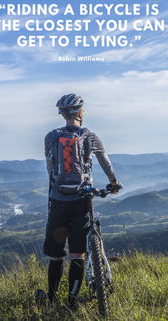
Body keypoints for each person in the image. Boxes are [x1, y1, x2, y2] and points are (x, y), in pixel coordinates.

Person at [37, 93, 120, 307]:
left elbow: (50, 169)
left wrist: (57, 189)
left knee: (56, 256)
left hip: (58, 201)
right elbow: (106, 163)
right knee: (78, 254)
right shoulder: (90, 137)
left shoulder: (50, 137)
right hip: (82, 201)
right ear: (81, 112)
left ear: (62, 114)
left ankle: (52, 300)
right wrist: (114, 182)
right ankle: (72, 301)